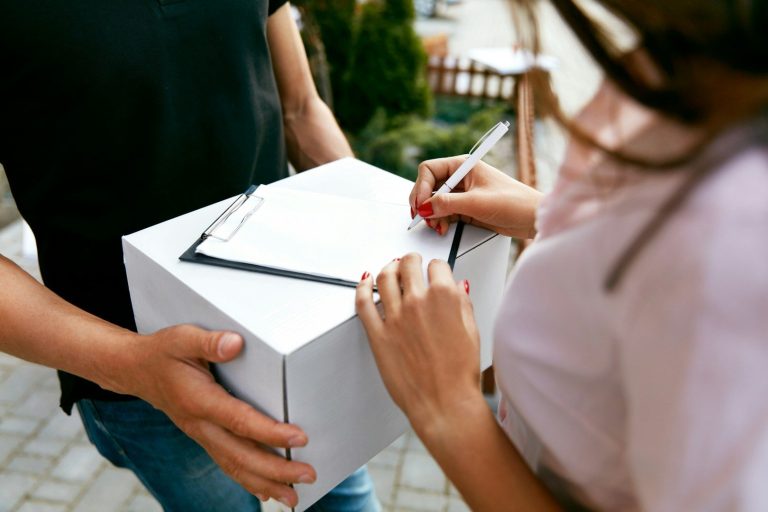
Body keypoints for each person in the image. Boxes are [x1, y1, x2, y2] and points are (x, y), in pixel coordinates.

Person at [356, 0, 768, 510]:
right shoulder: (689, 64)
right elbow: (645, 236)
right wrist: (551, 215)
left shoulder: (735, 243)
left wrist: (449, 409)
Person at [0, 2, 378, 511]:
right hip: (142, 374)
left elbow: (300, 108)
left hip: (291, 322)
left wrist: (381, 222)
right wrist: (137, 367)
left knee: (347, 502)